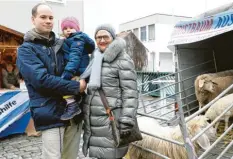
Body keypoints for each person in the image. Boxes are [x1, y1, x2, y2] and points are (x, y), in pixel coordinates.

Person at [16, 3, 86, 159]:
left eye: (51, 18)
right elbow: (41, 80)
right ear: (33, 19)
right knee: (52, 156)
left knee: (70, 156)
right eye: (43, 17)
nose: (48, 21)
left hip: (74, 113)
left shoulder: (62, 44)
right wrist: (76, 86)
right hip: (50, 112)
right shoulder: (26, 50)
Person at [81, 24, 139, 159]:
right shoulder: (95, 57)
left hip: (112, 120)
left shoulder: (123, 59)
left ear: (113, 38)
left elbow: (130, 92)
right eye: (98, 37)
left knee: (112, 154)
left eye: (105, 37)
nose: (101, 40)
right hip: (95, 121)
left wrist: (127, 119)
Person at [60, 16, 95, 120]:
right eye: (65, 28)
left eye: (71, 27)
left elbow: (75, 57)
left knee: (63, 85)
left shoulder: (77, 39)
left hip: (78, 70)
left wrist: (67, 72)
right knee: (75, 90)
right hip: (78, 70)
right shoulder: (70, 40)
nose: (68, 30)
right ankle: (77, 105)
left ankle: (72, 106)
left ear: (77, 29)